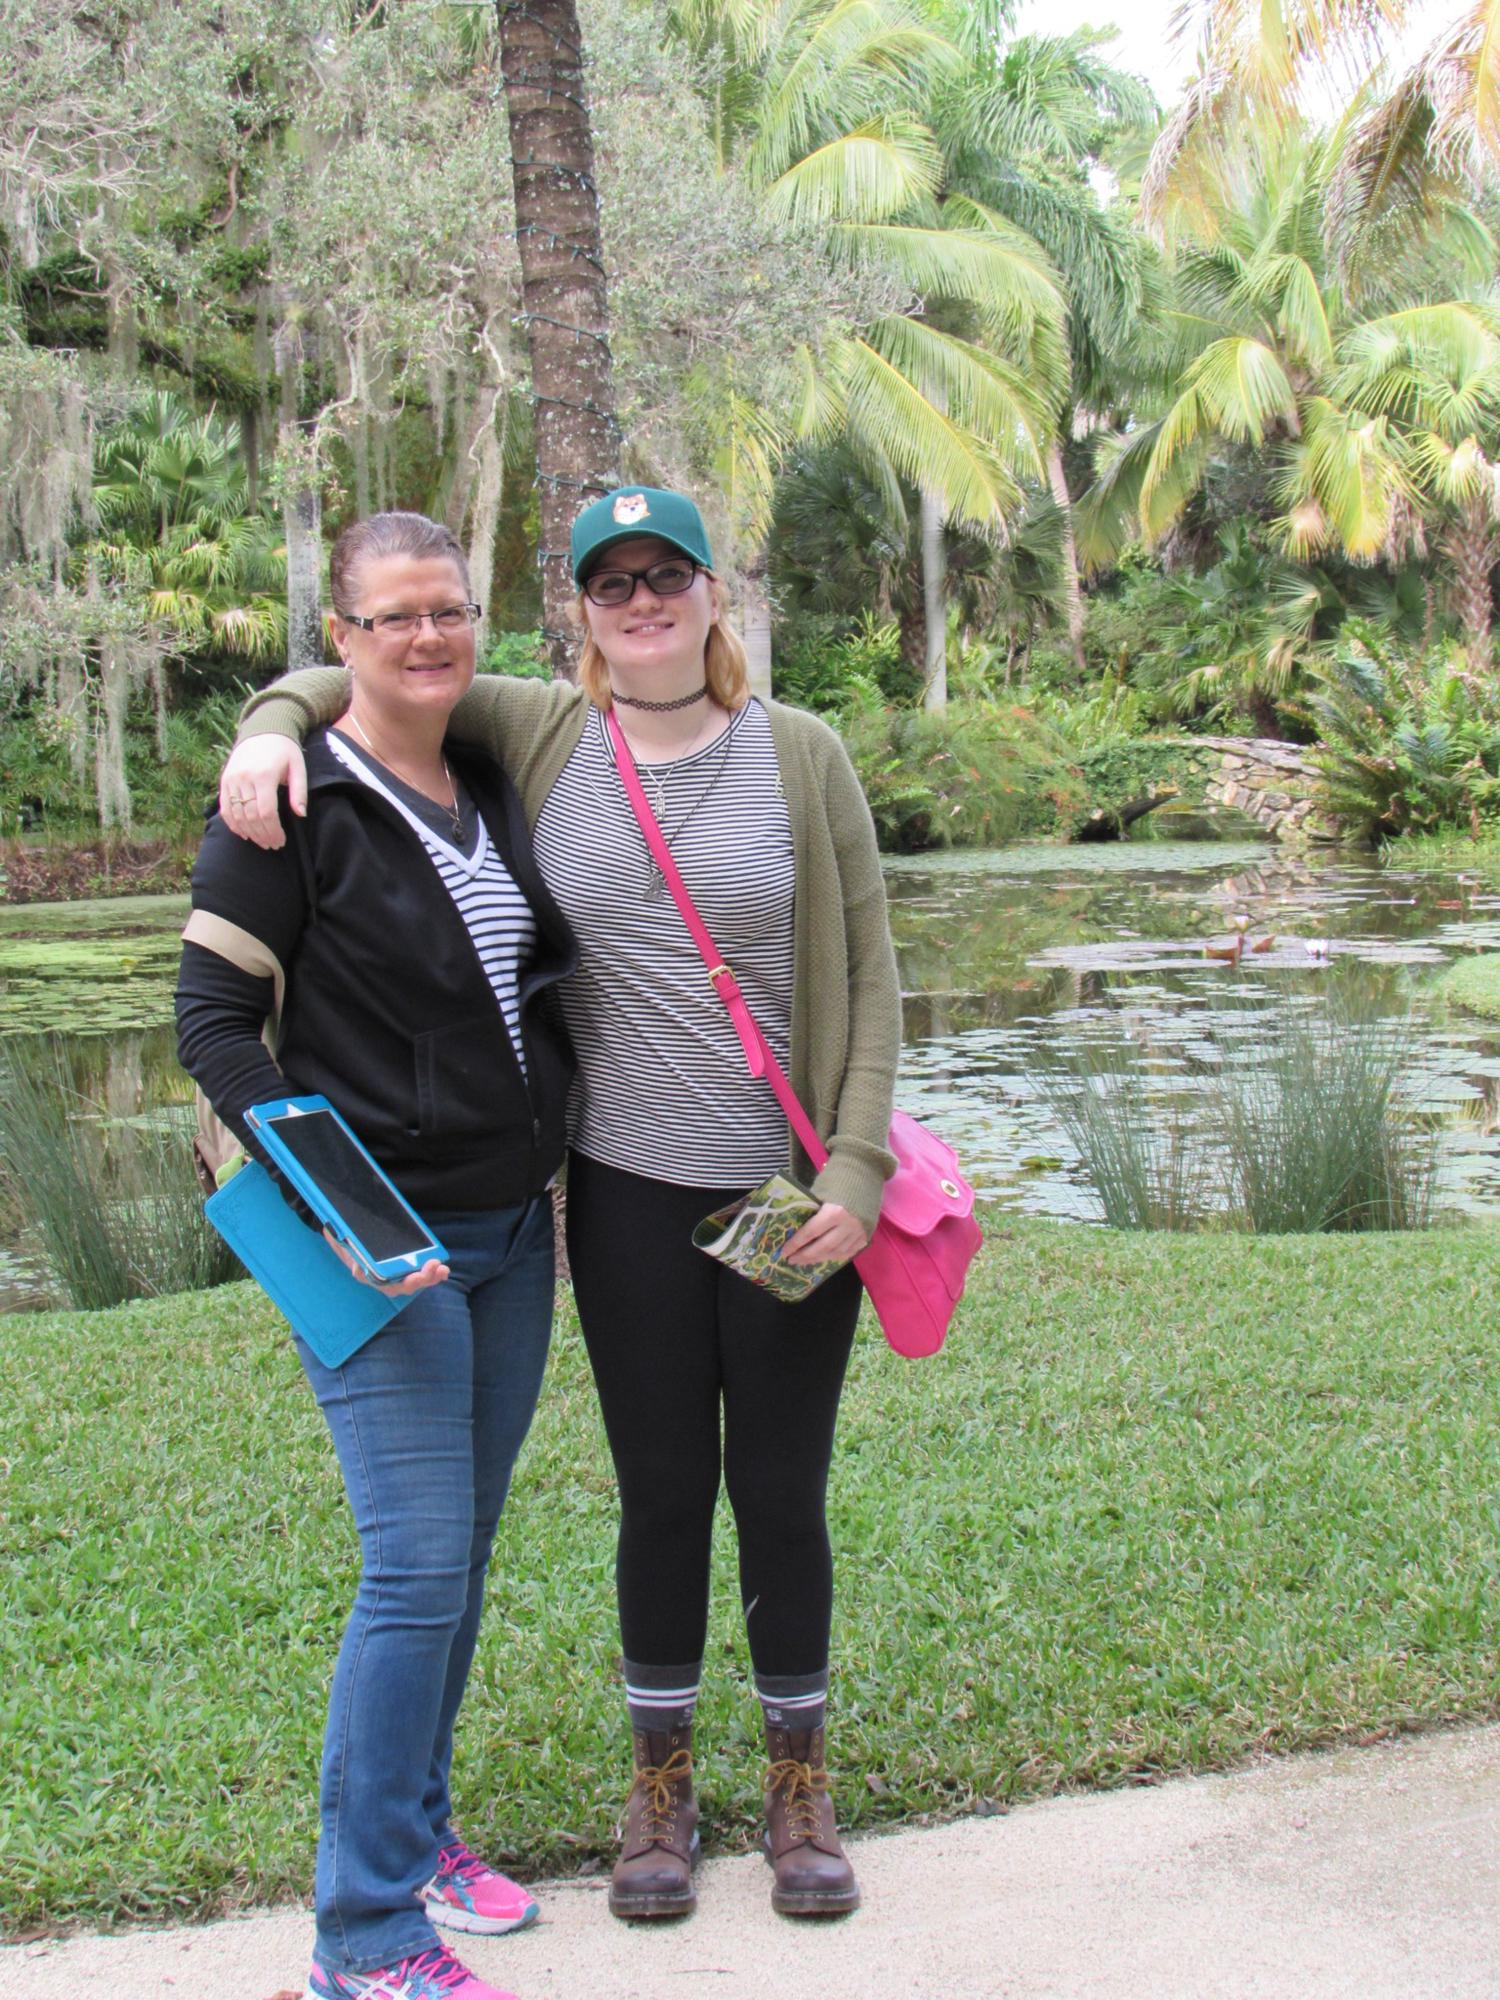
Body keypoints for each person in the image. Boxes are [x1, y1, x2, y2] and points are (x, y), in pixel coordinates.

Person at [218, 484, 902, 1922]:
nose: (643, 600)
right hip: (626, 1192)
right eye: (612, 583)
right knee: (660, 1495)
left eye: (669, 574)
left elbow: (876, 975)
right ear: (578, 612)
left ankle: (797, 1784)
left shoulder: (804, 752)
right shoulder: (539, 733)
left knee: (780, 1493)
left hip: (788, 1198)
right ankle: (658, 1787)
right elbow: (364, 663)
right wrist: (264, 730)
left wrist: (856, 1167)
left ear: (716, 592)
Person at [177, 512, 578, 2000]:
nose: (427, 637)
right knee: (413, 1571)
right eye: (393, 615)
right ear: (338, 634)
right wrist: (351, 1212)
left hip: (509, 1235)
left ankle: (417, 1833)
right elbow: (211, 1027)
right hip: (377, 1252)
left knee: (460, 1559)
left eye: (450, 611)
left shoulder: (485, 780)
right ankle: (363, 1941)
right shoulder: (287, 806)